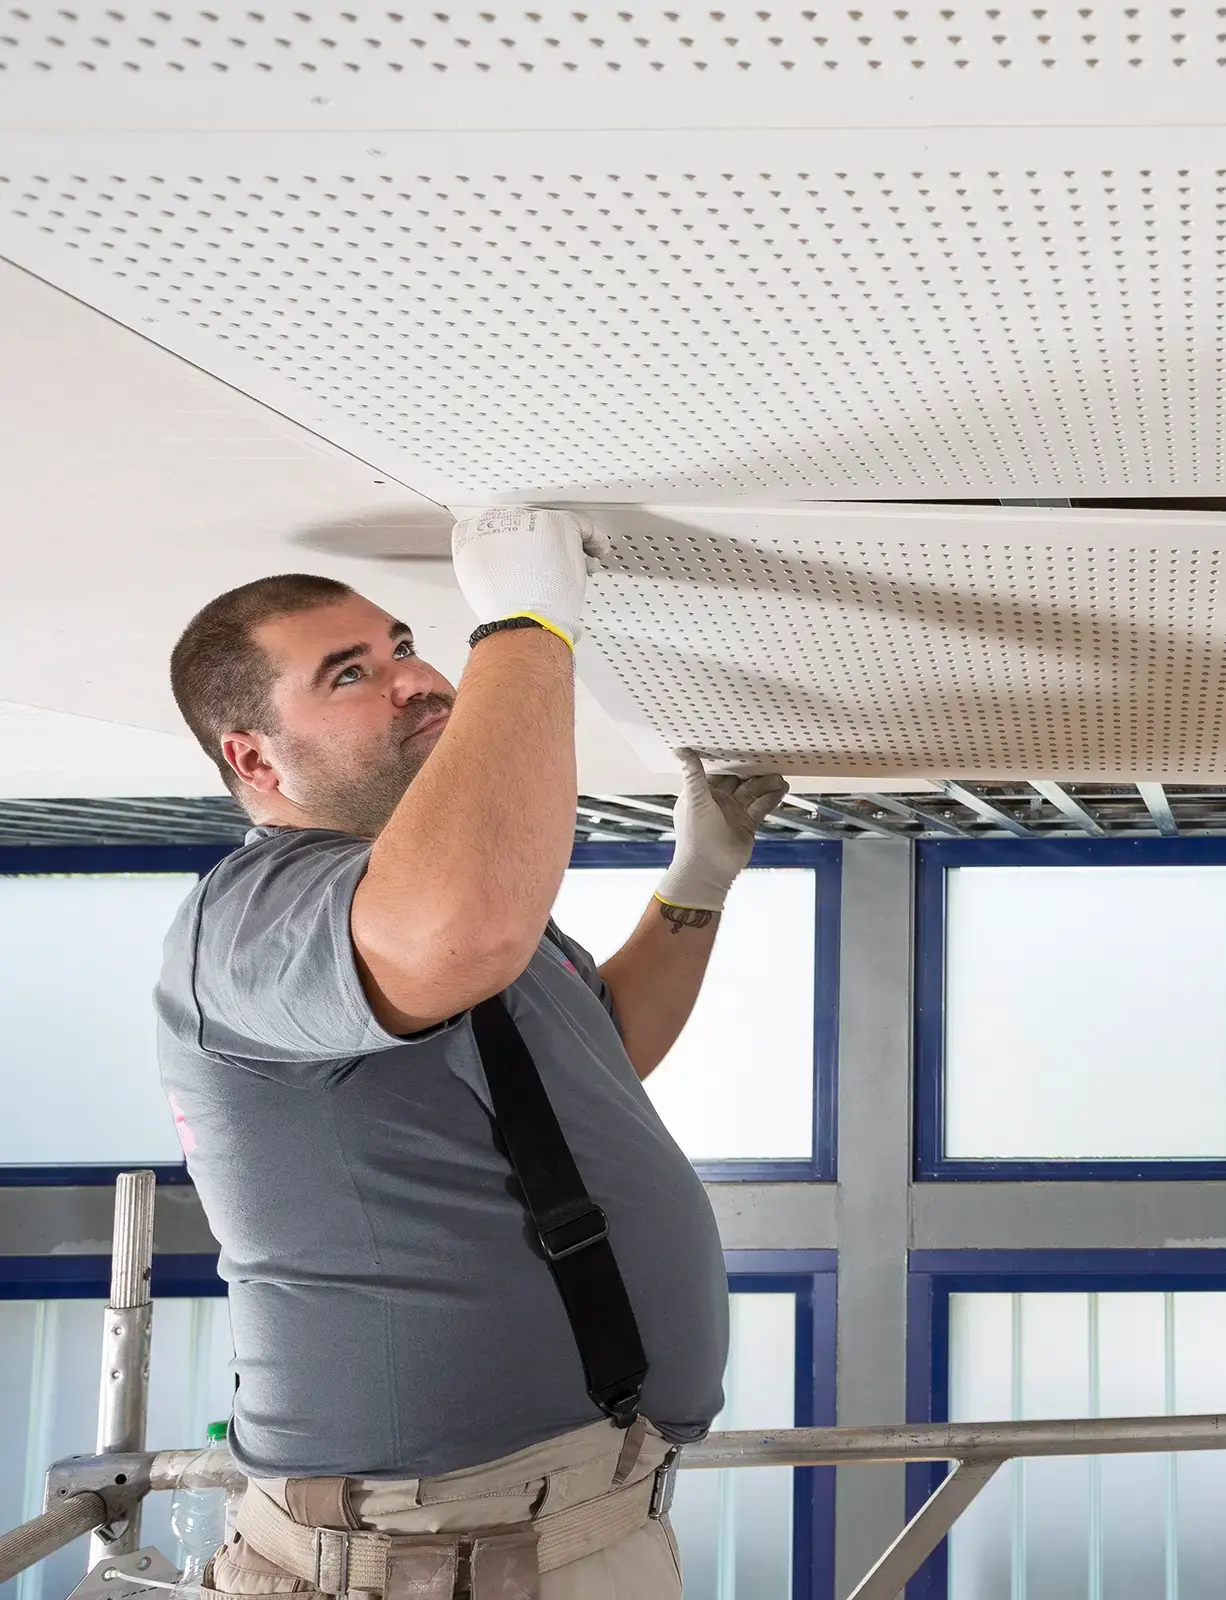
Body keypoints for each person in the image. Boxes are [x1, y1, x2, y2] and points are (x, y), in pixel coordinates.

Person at [153, 508, 789, 1599]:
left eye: (403, 645)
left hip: (571, 1524)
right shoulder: (252, 919)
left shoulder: (445, 913)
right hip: (418, 1559)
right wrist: (525, 623)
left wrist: (697, 885)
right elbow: (466, 927)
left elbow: (604, 1052)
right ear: (254, 757)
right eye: (350, 674)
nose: (413, 678)